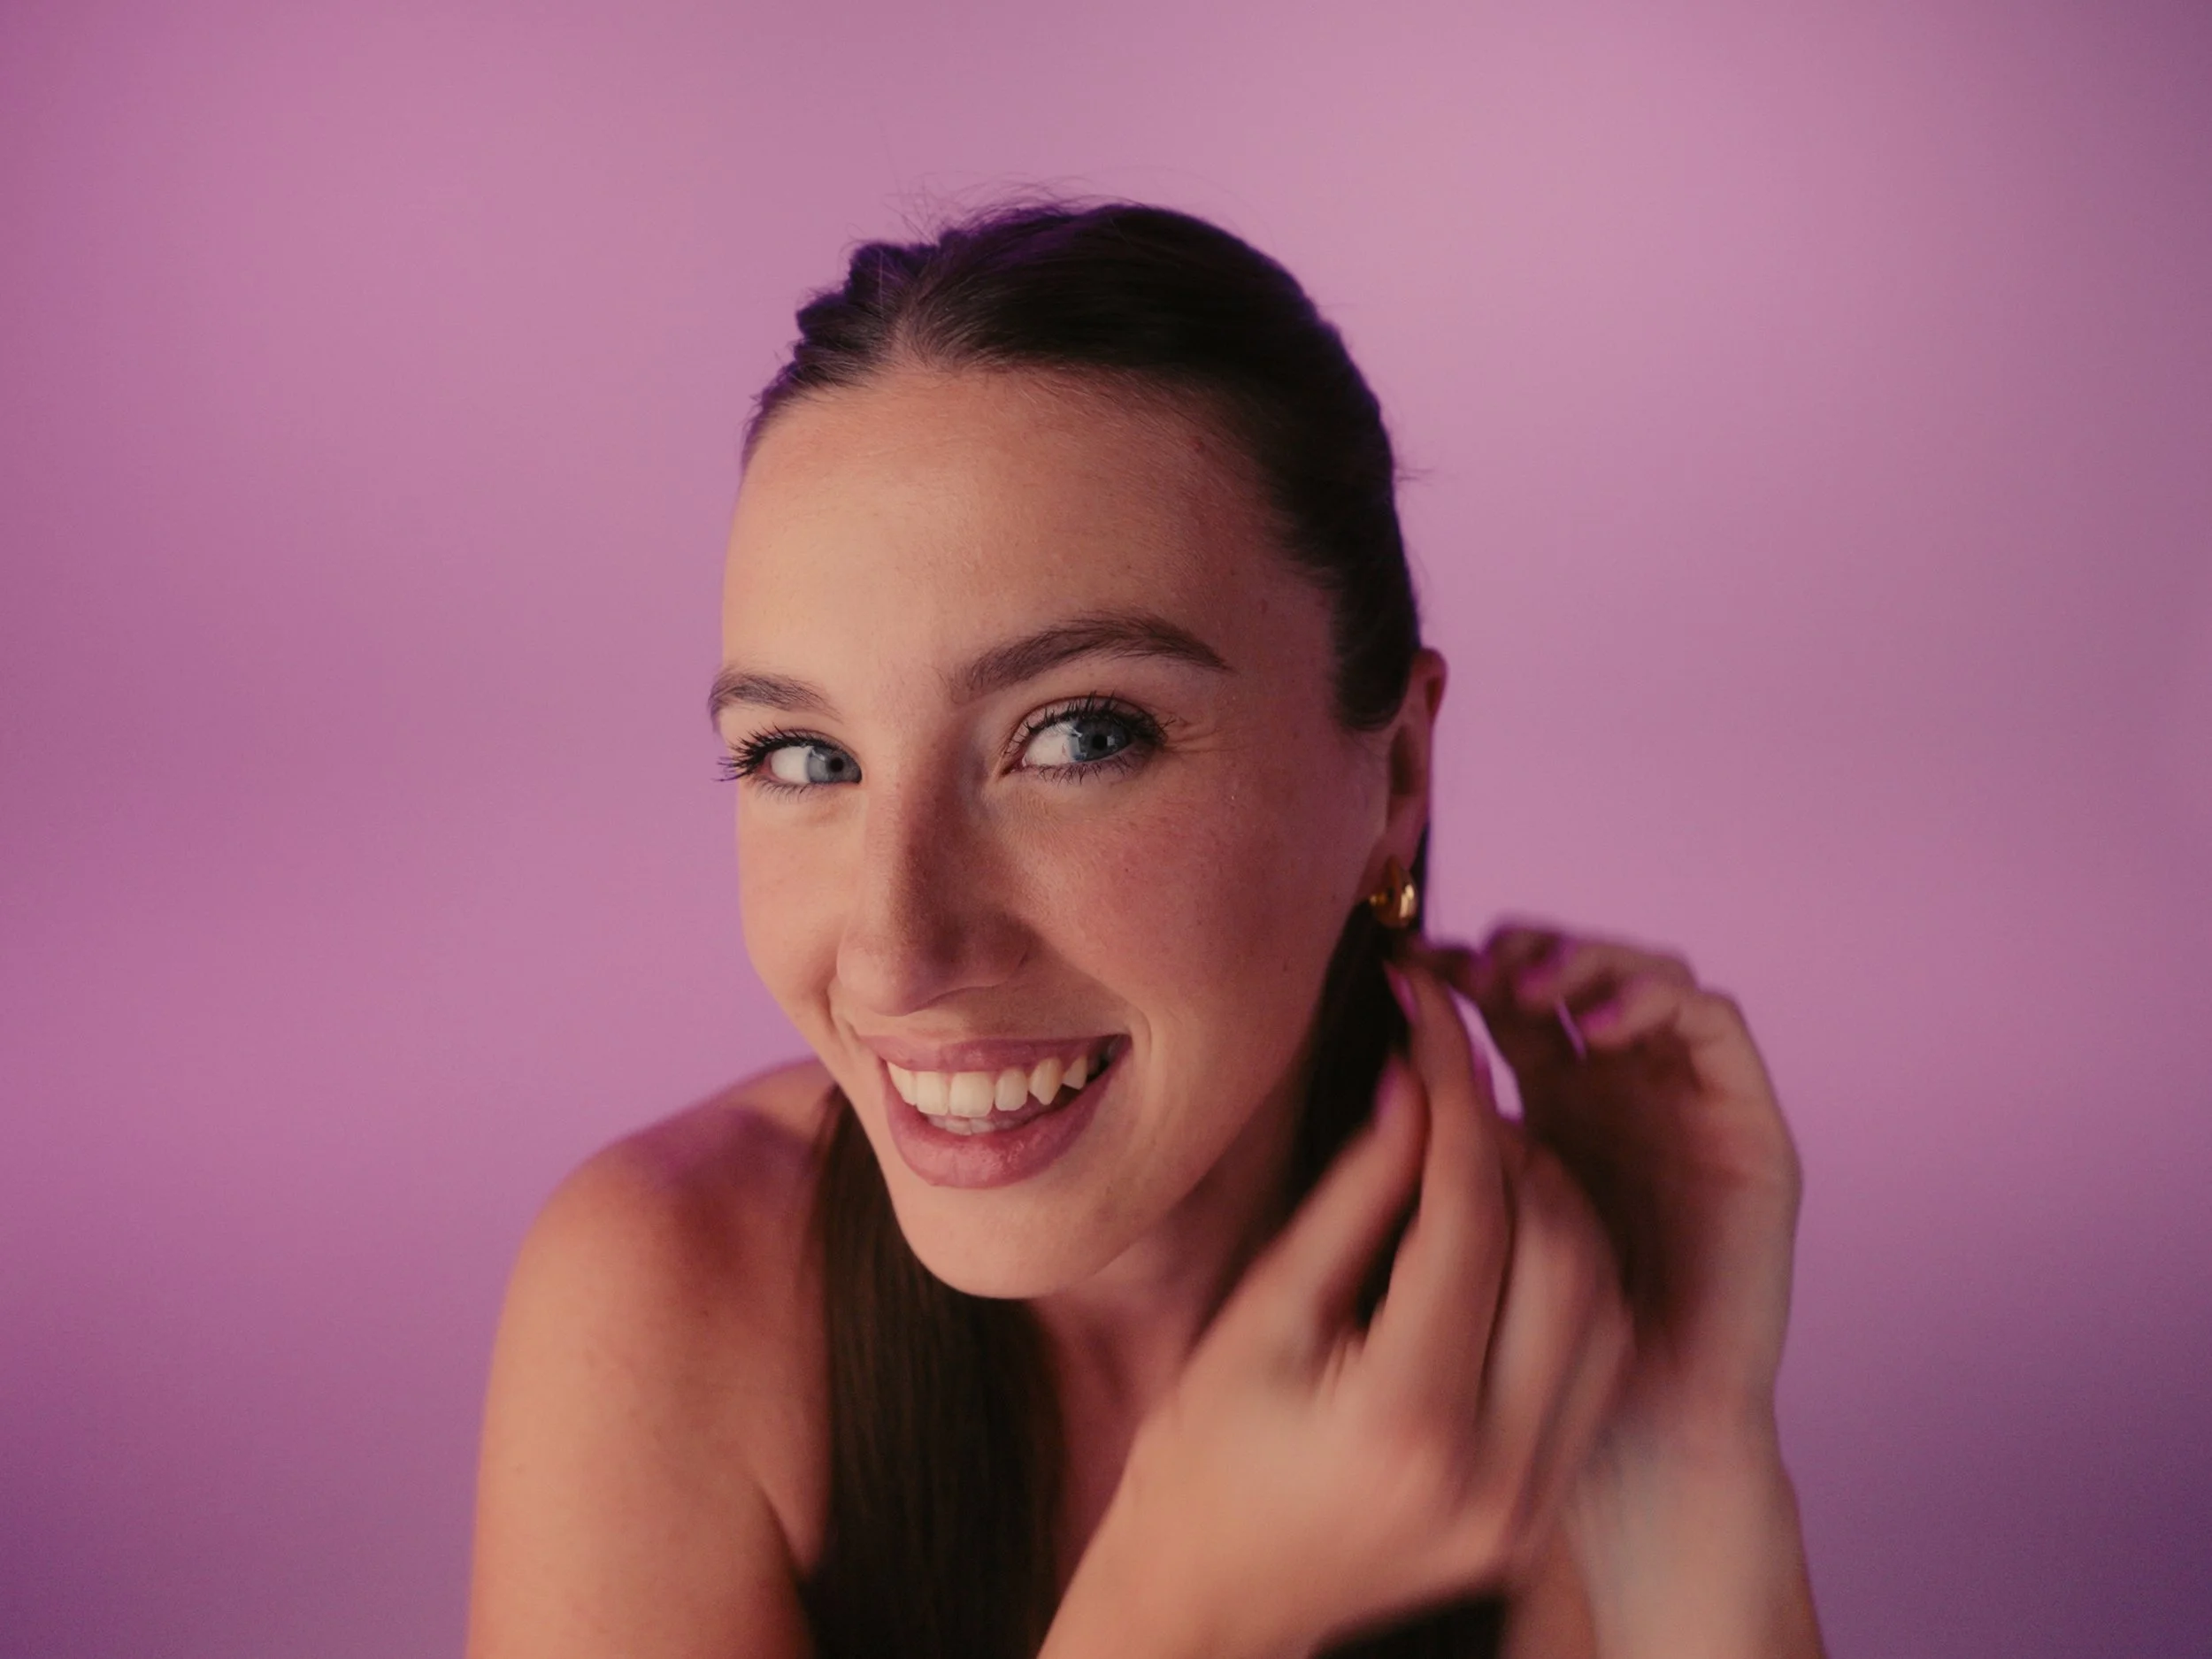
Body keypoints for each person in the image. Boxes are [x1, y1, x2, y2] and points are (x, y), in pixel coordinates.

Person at [463, 201, 1825, 1659]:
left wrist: (1677, 1437)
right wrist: (1182, 1612)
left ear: (1396, 775)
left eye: (1079, 735)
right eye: (805, 757)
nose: (892, 955)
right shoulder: (660, 1295)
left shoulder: (1538, 1327)